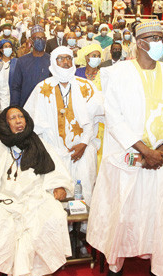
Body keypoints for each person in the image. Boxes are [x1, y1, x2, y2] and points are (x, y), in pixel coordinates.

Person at [87, 20, 163, 276]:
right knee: (123, 211)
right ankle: (116, 266)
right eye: (155, 37)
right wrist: (145, 151)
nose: (162, 42)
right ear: (139, 42)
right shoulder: (118, 72)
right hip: (129, 156)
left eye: (162, 37)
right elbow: (114, 117)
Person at [0, 106, 73, 276]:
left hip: (36, 197)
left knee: (54, 215)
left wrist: (59, 186)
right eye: (12, 118)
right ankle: (6, 275)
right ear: (5, 123)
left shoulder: (39, 142)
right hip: (6, 199)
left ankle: (44, 271)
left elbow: (57, 169)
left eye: (21, 116)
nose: (18, 120)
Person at [25, 46, 104, 202]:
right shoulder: (42, 88)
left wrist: (83, 143)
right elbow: (31, 123)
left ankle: (81, 227)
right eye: (60, 59)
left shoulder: (86, 86)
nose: (66, 62)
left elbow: (97, 118)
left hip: (83, 151)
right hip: (53, 153)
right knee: (54, 197)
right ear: (53, 62)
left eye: (68, 58)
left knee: (84, 194)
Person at [10, 25, 51, 106]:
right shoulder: (22, 61)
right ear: (31, 41)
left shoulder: (51, 60)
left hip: (47, 105)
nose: (40, 40)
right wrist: (15, 107)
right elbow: (16, 87)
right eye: (37, 38)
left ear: (46, 40)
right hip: (26, 105)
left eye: (42, 38)